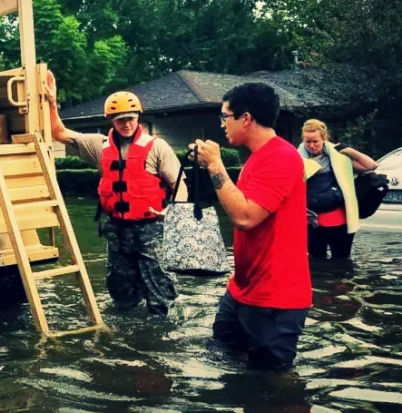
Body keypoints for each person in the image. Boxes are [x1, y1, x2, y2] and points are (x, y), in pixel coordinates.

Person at [193, 82, 311, 372]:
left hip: (275, 299)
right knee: (223, 359)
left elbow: (245, 217)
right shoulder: (258, 157)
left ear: (246, 118)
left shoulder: (281, 157)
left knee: (272, 388)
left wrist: (215, 165)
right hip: (242, 289)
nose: (222, 124)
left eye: (225, 117)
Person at [44, 71, 179, 316]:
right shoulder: (98, 145)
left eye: (130, 118)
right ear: (111, 121)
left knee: (161, 295)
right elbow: (59, 132)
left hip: (152, 229)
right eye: (119, 120)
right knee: (121, 294)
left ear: (138, 117)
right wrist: (52, 103)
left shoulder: (158, 147)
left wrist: (171, 210)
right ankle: (126, 337)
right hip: (117, 230)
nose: (126, 124)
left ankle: (164, 338)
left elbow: (180, 184)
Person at [298, 119, 377, 260]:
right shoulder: (296, 159)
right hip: (310, 221)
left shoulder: (339, 157)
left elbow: (371, 166)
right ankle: (321, 283)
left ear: (324, 138)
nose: (311, 146)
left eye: (315, 141)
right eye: (307, 142)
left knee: (342, 261)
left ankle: (341, 282)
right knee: (316, 262)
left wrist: (350, 151)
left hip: (338, 219)